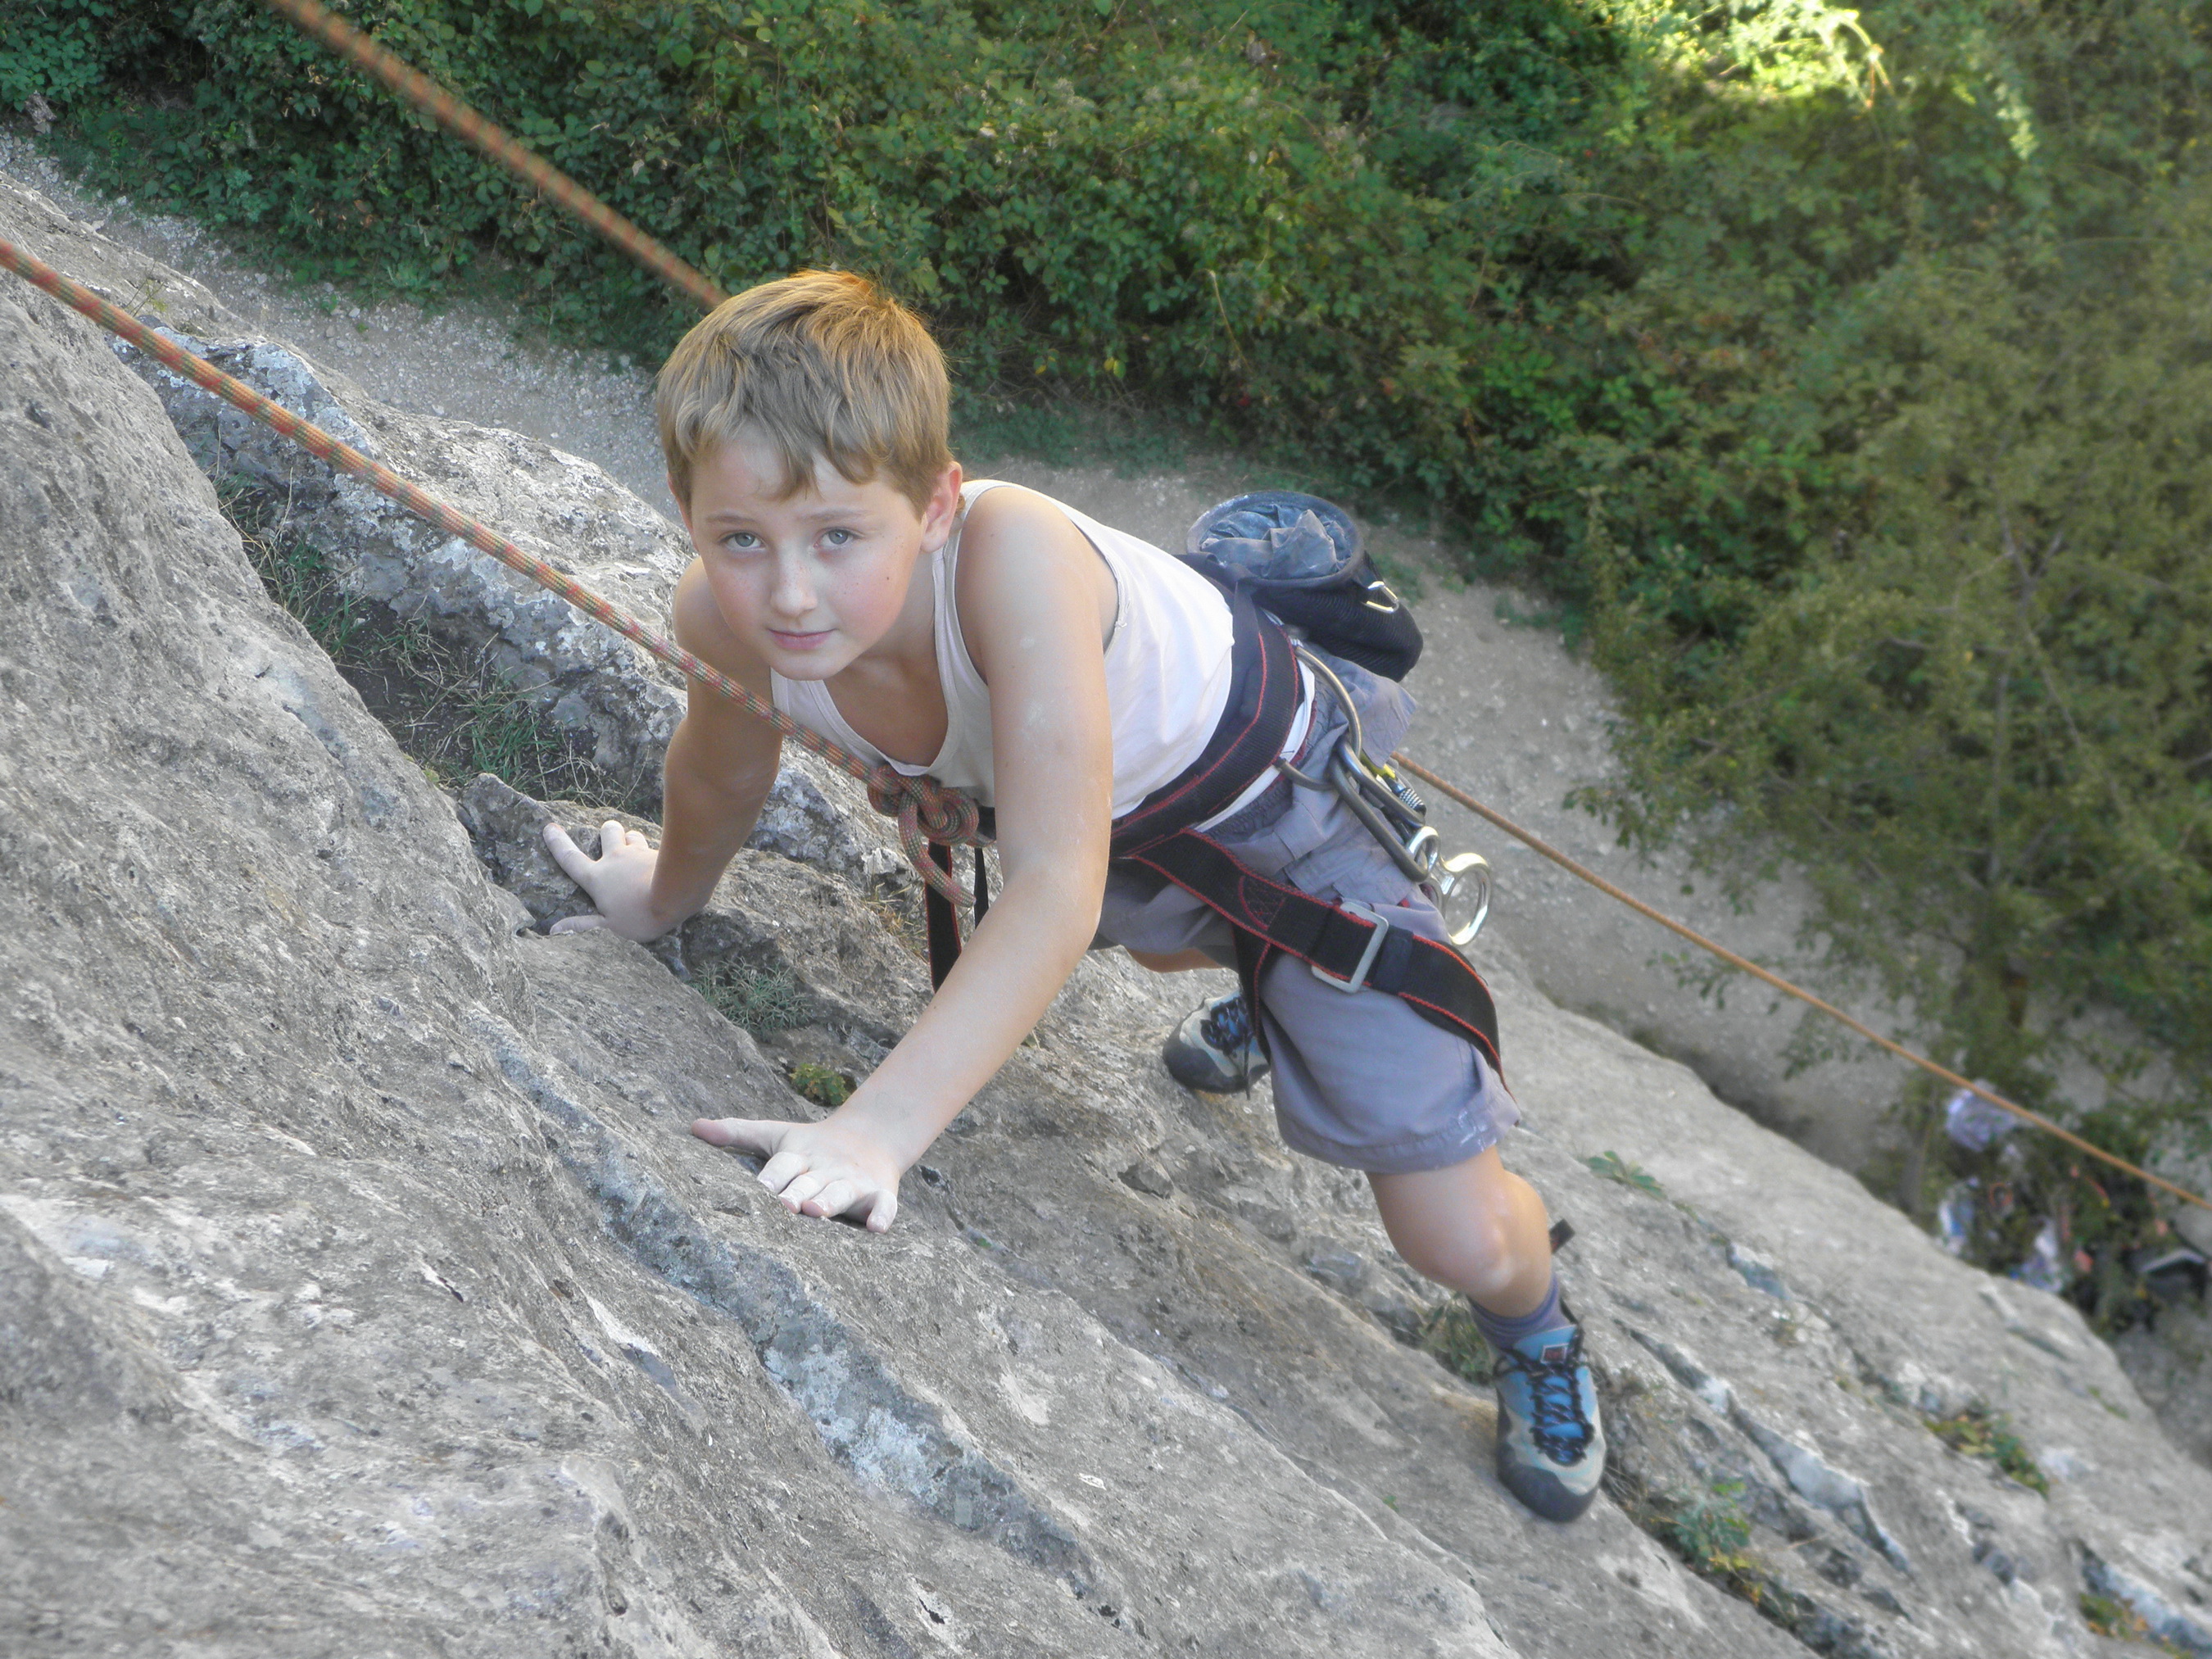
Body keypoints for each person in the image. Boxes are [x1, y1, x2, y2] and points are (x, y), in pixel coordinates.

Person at [542, 270, 1605, 1522]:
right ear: (687, 513)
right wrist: (659, 898)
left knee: (1454, 1237)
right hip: (1128, 821)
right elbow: (721, 772)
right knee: (1149, 941)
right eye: (740, 539)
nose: (787, 593)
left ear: (937, 505)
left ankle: (1540, 1327)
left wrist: (876, 1130)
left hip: (1293, 826)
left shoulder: (1014, 558)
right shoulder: (724, 624)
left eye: (837, 536)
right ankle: (1273, 996)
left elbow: (1053, 887)